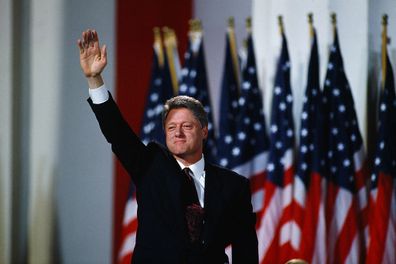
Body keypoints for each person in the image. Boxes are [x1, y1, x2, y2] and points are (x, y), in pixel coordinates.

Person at [78, 29, 258, 264]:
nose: (178, 133)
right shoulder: (150, 165)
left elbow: (246, 250)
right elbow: (117, 133)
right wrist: (94, 79)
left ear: (204, 131)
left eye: (187, 126)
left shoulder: (234, 185)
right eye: (172, 128)